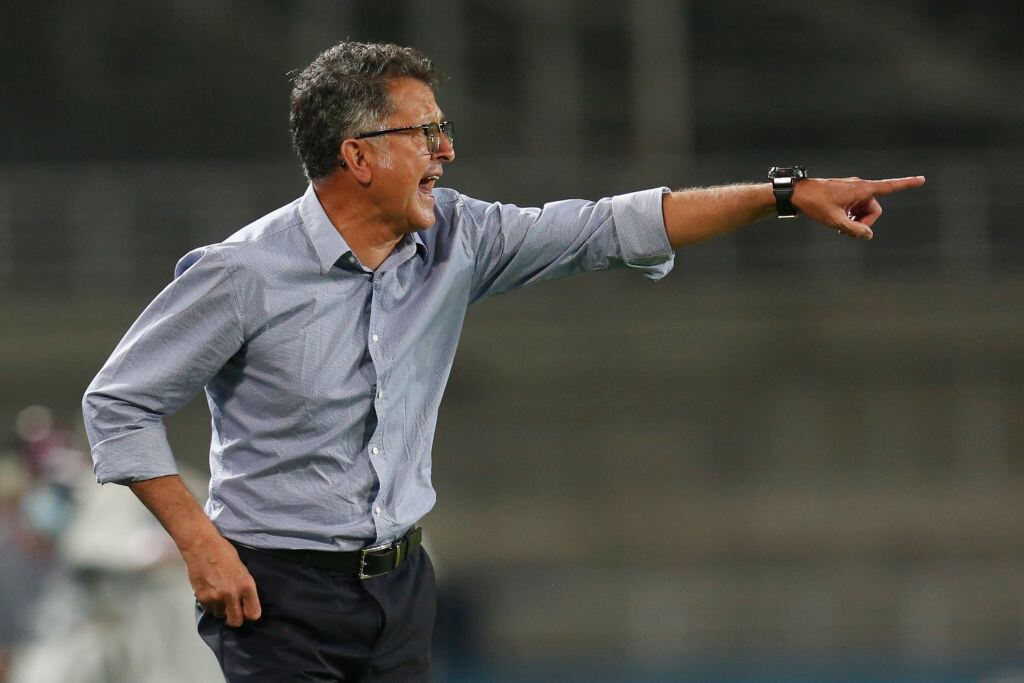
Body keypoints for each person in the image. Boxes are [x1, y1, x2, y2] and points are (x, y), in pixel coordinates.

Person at [81, 40, 925, 682]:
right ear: (358, 154)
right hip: (277, 591)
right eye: (427, 132)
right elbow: (117, 401)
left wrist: (781, 195)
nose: (447, 151)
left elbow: (613, 225)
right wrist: (199, 543)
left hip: (402, 588)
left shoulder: (462, 237)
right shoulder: (243, 272)